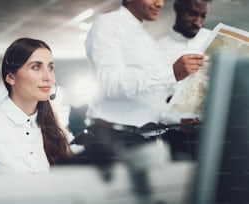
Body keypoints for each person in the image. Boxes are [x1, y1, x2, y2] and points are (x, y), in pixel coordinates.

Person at [76, 0, 207, 162]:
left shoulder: (146, 40)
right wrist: (171, 73)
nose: (159, 3)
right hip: (111, 136)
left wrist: (177, 119)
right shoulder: (108, 24)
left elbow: (149, 101)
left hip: (142, 137)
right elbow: (109, 84)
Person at [0, 38, 79, 174]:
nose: (48, 77)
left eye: (50, 68)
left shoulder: (52, 126)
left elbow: (85, 155)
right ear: (11, 77)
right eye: (36, 67)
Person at [158, 0, 212, 70]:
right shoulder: (158, 50)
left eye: (203, 16)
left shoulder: (212, 37)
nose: (198, 23)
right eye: (192, 14)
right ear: (177, 7)